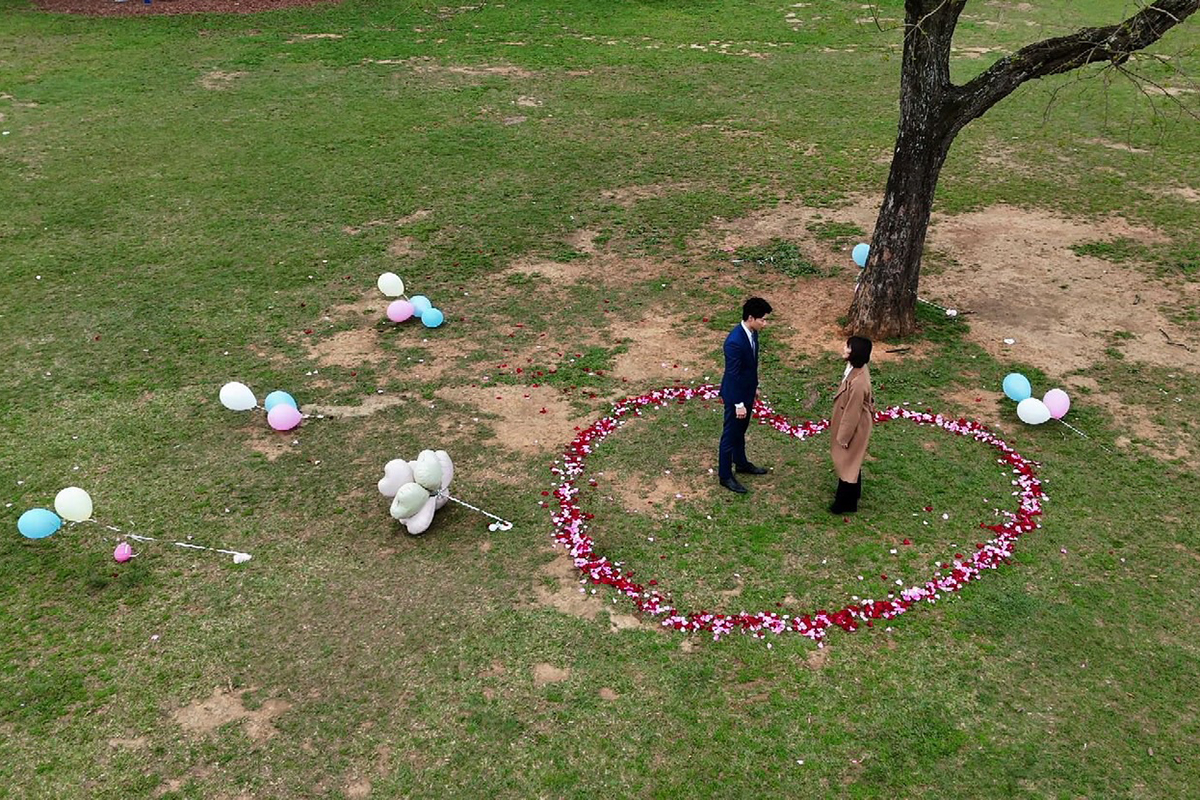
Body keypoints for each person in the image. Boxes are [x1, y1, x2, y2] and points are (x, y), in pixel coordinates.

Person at [717, 297, 772, 494]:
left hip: (747, 391)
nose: (765, 323)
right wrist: (738, 403)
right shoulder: (734, 342)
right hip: (736, 396)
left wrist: (753, 387)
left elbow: (750, 368)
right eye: (763, 320)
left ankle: (740, 462)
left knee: (741, 430)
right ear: (751, 318)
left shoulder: (752, 333)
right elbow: (733, 375)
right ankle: (725, 475)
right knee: (730, 434)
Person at [829, 336, 875, 513]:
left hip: (855, 426)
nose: (844, 348)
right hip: (854, 421)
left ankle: (844, 503)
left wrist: (843, 437)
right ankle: (853, 495)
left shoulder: (858, 383)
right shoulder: (856, 369)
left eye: (847, 347)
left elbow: (852, 413)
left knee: (847, 461)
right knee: (852, 460)